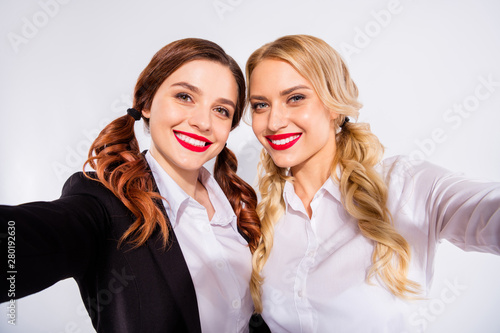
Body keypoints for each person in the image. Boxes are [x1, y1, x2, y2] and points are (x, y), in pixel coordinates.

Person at [0, 38, 262, 333]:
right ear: (147, 102)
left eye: (221, 110)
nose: (203, 122)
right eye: (185, 97)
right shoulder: (104, 201)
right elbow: (35, 237)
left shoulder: (237, 206)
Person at [246, 34, 500, 332]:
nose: (274, 122)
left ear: (334, 106)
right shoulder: (259, 214)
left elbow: (485, 211)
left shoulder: (405, 184)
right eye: (260, 105)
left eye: (296, 98)